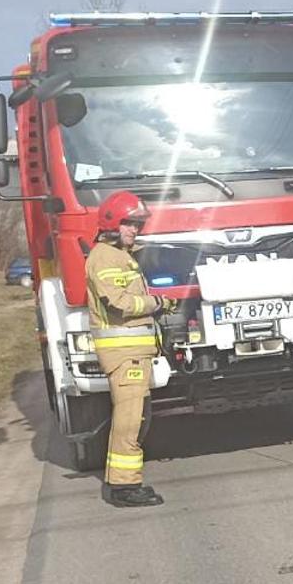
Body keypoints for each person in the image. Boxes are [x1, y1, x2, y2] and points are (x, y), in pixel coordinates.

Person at [84, 191, 173, 508]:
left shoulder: (120, 255)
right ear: (111, 223)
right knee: (130, 419)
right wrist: (158, 304)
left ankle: (121, 481)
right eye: (129, 224)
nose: (135, 230)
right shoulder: (106, 257)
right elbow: (120, 302)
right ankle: (123, 487)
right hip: (125, 355)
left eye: (137, 224)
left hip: (134, 353)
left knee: (139, 417)